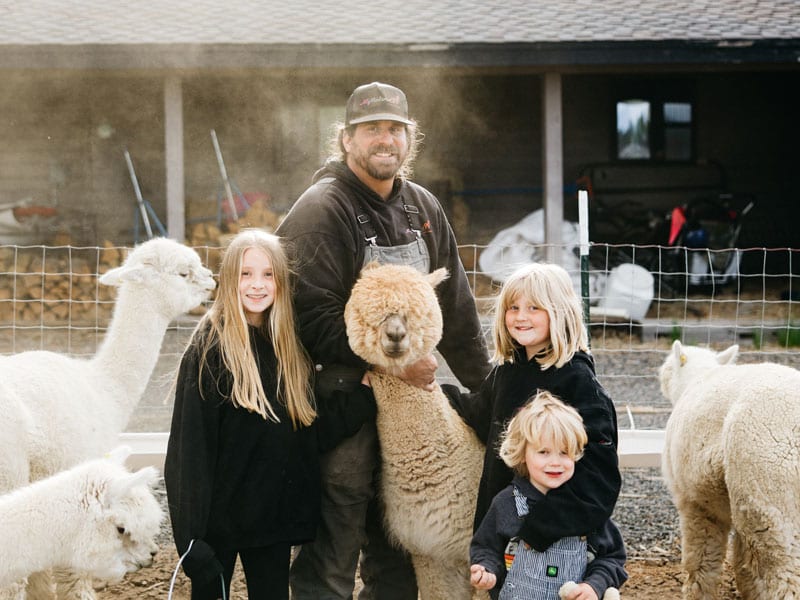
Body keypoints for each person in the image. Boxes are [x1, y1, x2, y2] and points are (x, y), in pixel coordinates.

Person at [275, 81, 491, 599]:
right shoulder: (322, 210)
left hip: (408, 412)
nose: (385, 139)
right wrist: (393, 367)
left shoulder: (422, 209)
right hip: (341, 403)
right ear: (347, 139)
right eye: (372, 129)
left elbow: (456, 311)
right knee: (335, 545)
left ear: (409, 139)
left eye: (395, 129)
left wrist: (491, 397)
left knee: (398, 554)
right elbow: (312, 319)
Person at [164, 229, 376, 600]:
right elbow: (188, 453)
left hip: (270, 523)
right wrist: (191, 539)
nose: (257, 285)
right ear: (229, 279)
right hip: (217, 527)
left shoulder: (290, 349)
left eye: (267, 275)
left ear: (281, 281)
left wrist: (361, 398)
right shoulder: (209, 351)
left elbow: (308, 431)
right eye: (246, 274)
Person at [445, 262, 622, 568]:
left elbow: (600, 477)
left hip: (557, 542)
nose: (520, 317)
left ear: (560, 312)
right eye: (513, 307)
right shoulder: (508, 372)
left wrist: (536, 532)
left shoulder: (577, 382)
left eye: (534, 308)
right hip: (503, 535)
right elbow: (478, 412)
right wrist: (428, 393)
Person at [469, 390, 627, 600]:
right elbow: (487, 549)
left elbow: (612, 558)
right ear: (523, 454)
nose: (555, 462)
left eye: (564, 452)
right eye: (543, 452)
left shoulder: (584, 507)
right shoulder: (506, 504)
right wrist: (487, 570)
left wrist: (594, 586)